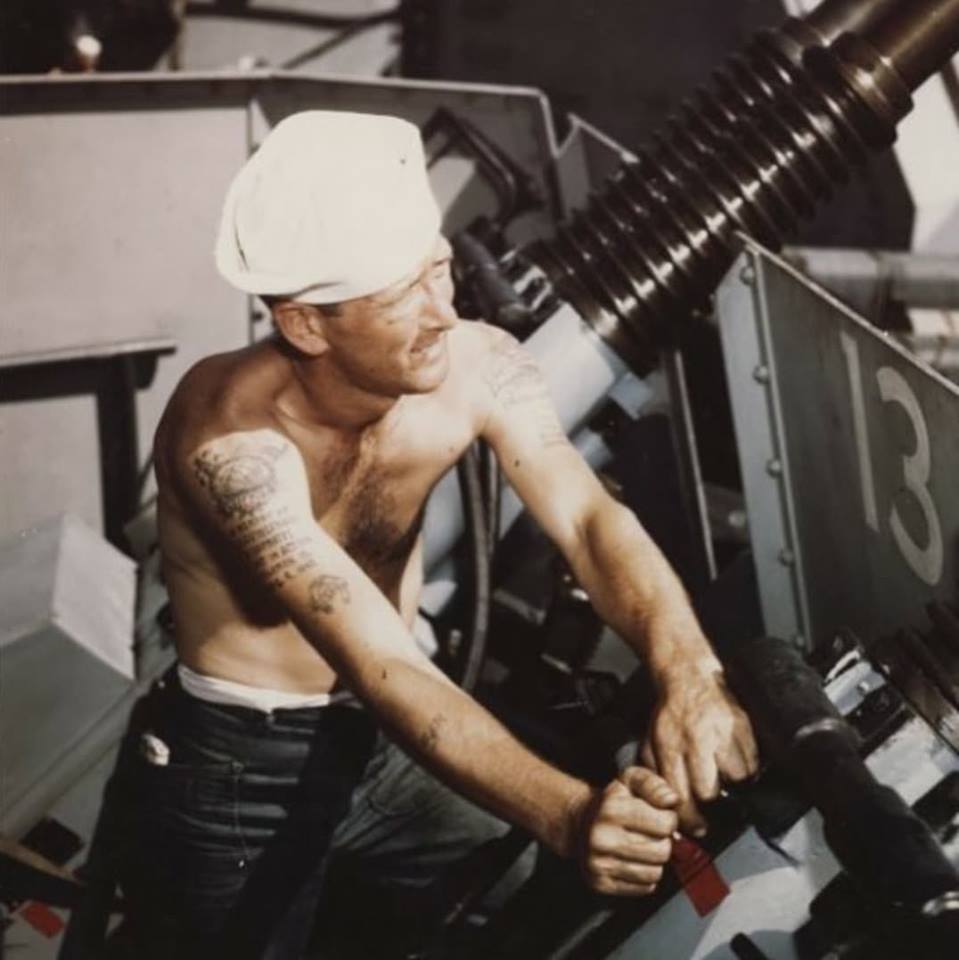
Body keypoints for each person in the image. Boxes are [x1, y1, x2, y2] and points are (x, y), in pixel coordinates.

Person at [117, 110, 757, 958]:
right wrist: (571, 816)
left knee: (541, 904)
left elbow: (588, 518)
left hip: (382, 741)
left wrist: (690, 672)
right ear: (305, 324)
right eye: (400, 298)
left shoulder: (478, 363)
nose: (443, 314)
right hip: (242, 767)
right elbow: (378, 659)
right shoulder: (230, 442)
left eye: (440, 271)